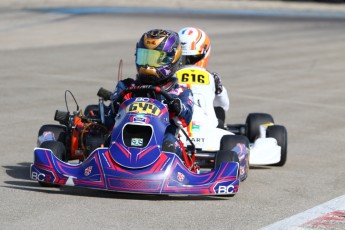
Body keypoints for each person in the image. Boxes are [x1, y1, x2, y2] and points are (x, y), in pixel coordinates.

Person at [107, 29, 194, 157]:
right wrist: (116, 105)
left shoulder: (180, 91)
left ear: (172, 58)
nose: (148, 65)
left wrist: (178, 106)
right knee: (106, 141)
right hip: (126, 134)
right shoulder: (127, 86)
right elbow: (110, 117)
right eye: (145, 57)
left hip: (163, 138)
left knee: (169, 146)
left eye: (155, 59)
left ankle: (164, 174)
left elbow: (187, 117)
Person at [177, 27, 229, 127]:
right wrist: (220, 92)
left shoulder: (168, 77)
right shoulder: (211, 78)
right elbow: (223, 106)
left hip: (182, 127)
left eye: (190, 59)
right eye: (183, 58)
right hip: (205, 128)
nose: (186, 62)